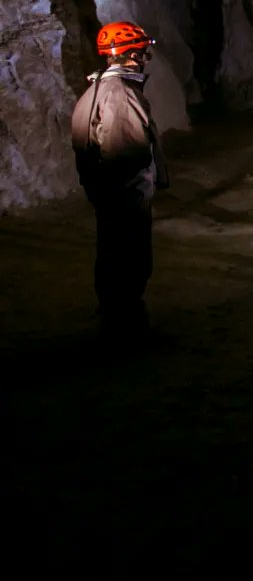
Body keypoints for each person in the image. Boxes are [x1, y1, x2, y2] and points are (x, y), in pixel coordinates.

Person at [70, 21, 168, 343]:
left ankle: (114, 316)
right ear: (133, 54)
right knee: (130, 259)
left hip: (105, 194)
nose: (145, 56)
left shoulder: (94, 89)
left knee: (111, 255)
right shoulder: (121, 94)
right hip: (124, 196)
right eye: (143, 51)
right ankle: (126, 328)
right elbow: (128, 152)